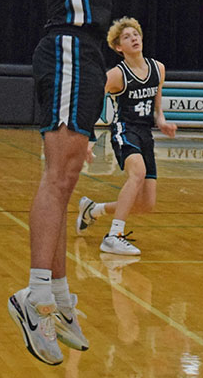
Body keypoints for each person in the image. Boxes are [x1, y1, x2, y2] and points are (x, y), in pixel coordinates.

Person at [7, 0, 156, 366]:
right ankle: (35, 293)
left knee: (67, 178)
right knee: (58, 175)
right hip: (70, 44)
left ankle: (61, 299)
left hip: (87, 52)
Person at [75, 16, 177, 254]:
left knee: (145, 204)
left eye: (136, 34)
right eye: (127, 37)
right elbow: (91, 101)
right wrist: (88, 138)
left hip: (145, 134)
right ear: (118, 47)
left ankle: (93, 210)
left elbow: (157, 108)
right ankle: (114, 235)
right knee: (137, 173)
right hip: (124, 129)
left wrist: (162, 123)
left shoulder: (158, 68)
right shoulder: (116, 75)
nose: (134, 38)